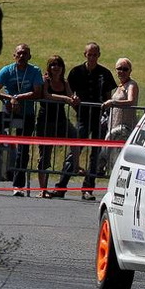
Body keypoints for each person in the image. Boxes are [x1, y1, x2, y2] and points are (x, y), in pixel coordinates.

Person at [52, 42, 117, 200]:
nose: (92, 57)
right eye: (89, 54)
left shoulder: (105, 73)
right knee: (74, 150)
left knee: (95, 155)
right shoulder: (76, 72)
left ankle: (88, 189)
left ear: (99, 55)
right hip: (82, 117)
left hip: (99, 118)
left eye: (95, 55)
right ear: (85, 55)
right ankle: (61, 186)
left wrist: (106, 112)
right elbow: (69, 91)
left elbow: (108, 95)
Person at [0, 43, 44, 197]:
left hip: (27, 114)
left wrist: (18, 98)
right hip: (8, 111)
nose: (21, 56)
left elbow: (37, 92)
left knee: (23, 150)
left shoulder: (34, 71)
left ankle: (18, 185)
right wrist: (9, 98)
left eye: (25, 53)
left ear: (29, 56)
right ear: (14, 55)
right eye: (19, 53)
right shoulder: (7, 70)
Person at [36, 55, 80, 198]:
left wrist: (74, 99)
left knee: (75, 136)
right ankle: (43, 190)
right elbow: (46, 95)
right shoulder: (45, 80)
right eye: (53, 65)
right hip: (46, 121)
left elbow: (70, 98)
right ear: (49, 66)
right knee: (45, 156)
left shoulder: (64, 82)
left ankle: (75, 165)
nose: (56, 67)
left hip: (61, 120)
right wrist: (66, 99)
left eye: (59, 65)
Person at [97, 57, 139, 180]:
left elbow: (131, 101)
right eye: (119, 69)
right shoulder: (120, 86)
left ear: (130, 70)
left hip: (124, 127)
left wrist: (113, 102)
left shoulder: (132, 85)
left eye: (125, 69)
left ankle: (101, 167)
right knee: (114, 158)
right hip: (114, 124)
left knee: (110, 148)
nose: (122, 71)